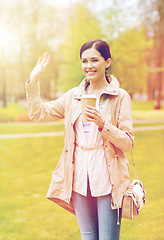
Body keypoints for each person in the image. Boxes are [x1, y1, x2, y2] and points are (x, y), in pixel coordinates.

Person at [25, 39, 134, 240]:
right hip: (79, 181)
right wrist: (33, 81)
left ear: (107, 62)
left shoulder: (120, 97)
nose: (89, 66)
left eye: (94, 60)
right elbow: (38, 113)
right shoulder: (73, 97)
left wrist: (104, 125)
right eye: (84, 61)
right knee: (88, 237)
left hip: (108, 180)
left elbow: (128, 143)